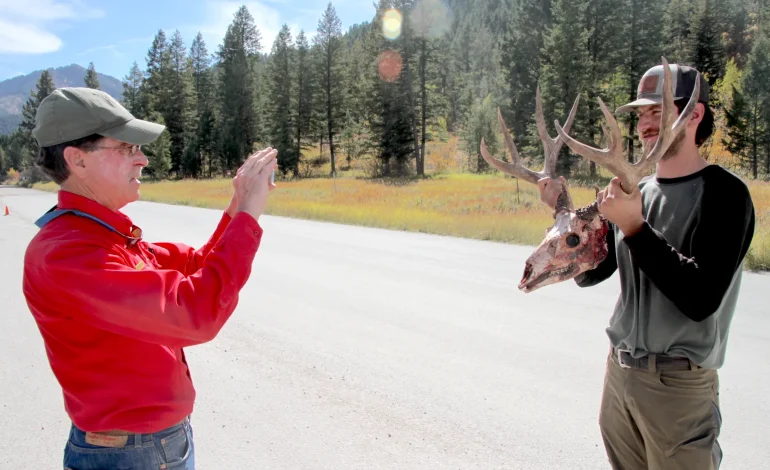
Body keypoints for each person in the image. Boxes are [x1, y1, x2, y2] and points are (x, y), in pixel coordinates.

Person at [22, 87, 278, 469]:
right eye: (126, 148)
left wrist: (238, 205)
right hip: (131, 454)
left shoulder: (100, 235)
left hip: (146, 447)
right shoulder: (68, 253)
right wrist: (247, 216)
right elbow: (196, 312)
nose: (142, 159)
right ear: (77, 159)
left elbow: (196, 266)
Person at [538, 64, 756, 469]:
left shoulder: (724, 193)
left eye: (659, 111)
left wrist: (634, 227)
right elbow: (590, 273)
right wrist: (563, 213)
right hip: (620, 378)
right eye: (641, 114)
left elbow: (700, 298)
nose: (645, 124)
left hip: (677, 388)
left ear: (694, 114)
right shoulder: (636, 191)